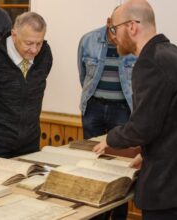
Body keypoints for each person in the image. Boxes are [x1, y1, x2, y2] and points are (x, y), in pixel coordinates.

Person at [93, 0, 177, 219]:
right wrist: (148, 152)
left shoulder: (150, 62)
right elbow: (172, 119)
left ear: (131, 27)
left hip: (168, 189)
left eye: (114, 29)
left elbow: (143, 127)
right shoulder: (175, 54)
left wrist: (110, 139)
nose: (113, 36)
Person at [78, 18, 137, 220]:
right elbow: (83, 74)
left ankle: (118, 216)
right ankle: (95, 214)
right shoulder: (88, 40)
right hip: (93, 108)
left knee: (120, 168)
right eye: (113, 31)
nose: (116, 37)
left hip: (122, 111)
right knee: (92, 164)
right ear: (108, 22)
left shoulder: (133, 43)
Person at [0, 12, 53, 158]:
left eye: (39, 43)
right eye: (28, 43)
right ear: (14, 35)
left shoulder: (45, 54)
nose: (34, 50)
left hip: (30, 142)